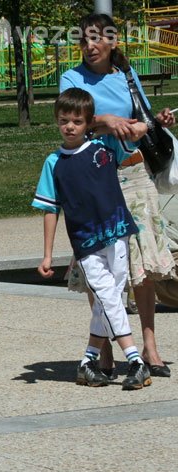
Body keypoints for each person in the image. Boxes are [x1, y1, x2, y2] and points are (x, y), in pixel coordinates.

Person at [60, 13, 177, 379]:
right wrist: (103, 121)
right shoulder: (71, 79)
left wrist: (156, 120)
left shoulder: (125, 75)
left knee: (142, 266)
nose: (90, 46)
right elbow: (69, 118)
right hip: (95, 178)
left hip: (133, 170)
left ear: (112, 42)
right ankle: (106, 347)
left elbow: (141, 119)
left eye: (97, 39)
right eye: (84, 40)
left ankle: (149, 345)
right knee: (100, 265)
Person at [33, 88, 150, 390]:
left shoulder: (105, 147)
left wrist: (147, 122)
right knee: (108, 296)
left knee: (109, 297)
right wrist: (47, 255)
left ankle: (88, 362)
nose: (69, 127)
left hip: (117, 233)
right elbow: (50, 209)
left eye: (77, 121)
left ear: (89, 122)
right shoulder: (53, 162)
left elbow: (137, 132)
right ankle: (136, 360)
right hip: (86, 244)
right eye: (63, 121)